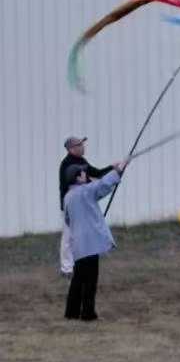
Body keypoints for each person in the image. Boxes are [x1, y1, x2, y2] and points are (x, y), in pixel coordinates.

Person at [61, 158, 128, 321]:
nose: (86, 174)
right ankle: (88, 314)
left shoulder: (68, 197)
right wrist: (118, 171)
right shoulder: (86, 191)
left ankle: (71, 312)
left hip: (78, 245)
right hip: (90, 244)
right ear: (77, 178)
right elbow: (103, 185)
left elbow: (69, 220)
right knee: (90, 281)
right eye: (83, 173)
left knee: (78, 279)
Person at [58, 136, 113, 276]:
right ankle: (67, 268)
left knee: (80, 234)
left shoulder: (82, 161)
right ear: (71, 149)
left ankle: (78, 262)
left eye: (82, 144)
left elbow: (97, 173)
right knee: (69, 236)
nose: (83, 147)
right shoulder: (68, 165)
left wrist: (114, 169)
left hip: (81, 205)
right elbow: (85, 183)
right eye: (79, 145)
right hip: (70, 206)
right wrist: (112, 177)